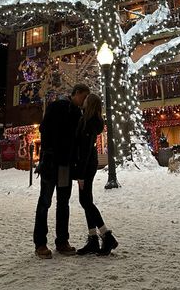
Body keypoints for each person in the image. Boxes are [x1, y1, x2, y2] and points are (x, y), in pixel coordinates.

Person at [33, 83, 90, 259]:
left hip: (65, 164)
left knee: (63, 203)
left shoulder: (78, 113)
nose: (85, 101)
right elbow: (44, 129)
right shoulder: (57, 107)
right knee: (45, 202)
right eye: (84, 97)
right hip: (51, 163)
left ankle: (62, 241)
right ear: (76, 93)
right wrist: (52, 150)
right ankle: (40, 243)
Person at [75, 94, 118, 256]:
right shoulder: (90, 120)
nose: (83, 101)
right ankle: (93, 238)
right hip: (88, 163)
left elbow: (85, 149)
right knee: (86, 200)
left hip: (86, 165)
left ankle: (107, 236)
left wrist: (80, 174)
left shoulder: (89, 123)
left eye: (86, 100)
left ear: (90, 104)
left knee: (85, 200)